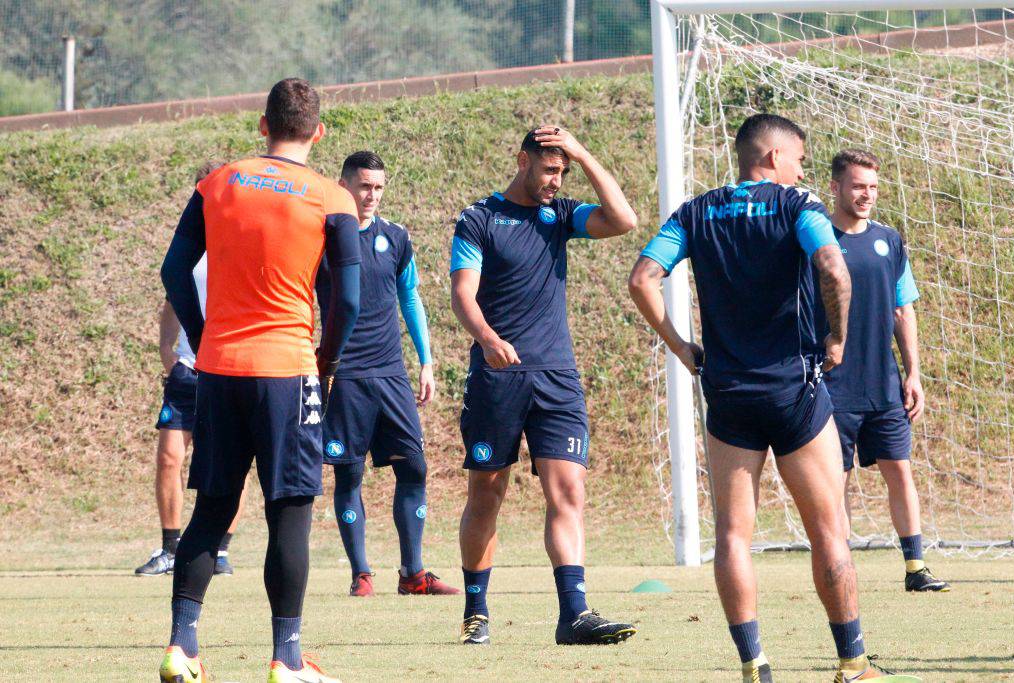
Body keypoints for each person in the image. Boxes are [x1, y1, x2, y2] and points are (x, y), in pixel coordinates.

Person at [628, 115, 917, 681]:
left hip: (728, 394)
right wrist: (836, 338)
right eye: (800, 159)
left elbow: (642, 278)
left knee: (733, 535)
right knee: (828, 527)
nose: (804, 169)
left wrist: (683, 348)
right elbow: (833, 266)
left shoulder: (695, 211)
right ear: (773, 158)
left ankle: (754, 664)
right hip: (794, 390)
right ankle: (853, 662)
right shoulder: (797, 205)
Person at [158, 78, 361, 683]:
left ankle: (181, 647)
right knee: (289, 513)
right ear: (318, 131)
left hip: (218, 369)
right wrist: (325, 357)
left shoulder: (218, 182)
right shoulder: (332, 198)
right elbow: (347, 298)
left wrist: (205, 334)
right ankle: (286, 658)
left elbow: (174, 270)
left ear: (262, 125)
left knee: (212, 510)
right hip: (287, 370)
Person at [451, 126, 638, 646]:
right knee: (488, 495)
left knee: (569, 490)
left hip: (557, 377)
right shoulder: (479, 219)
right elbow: (462, 293)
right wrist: (486, 337)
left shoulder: (562, 217)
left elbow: (624, 220)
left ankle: (573, 615)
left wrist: (583, 151)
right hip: (498, 378)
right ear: (522, 160)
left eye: (563, 171)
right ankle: (476, 610)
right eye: (549, 169)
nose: (556, 180)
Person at [316, 150, 458, 597]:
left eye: (378, 187)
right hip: (345, 375)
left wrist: (427, 361)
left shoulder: (395, 237)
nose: (372, 195)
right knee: (349, 474)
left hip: (391, 374)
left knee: (414, 468)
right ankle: (361, 573)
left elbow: (410, 297)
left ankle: (413, 573)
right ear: (344, 186)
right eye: (364, 186)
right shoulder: (320, 239)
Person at [819, 149, 949, 592]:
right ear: (835, 187)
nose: (866, 194)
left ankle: (916, 567)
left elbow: (902, 308)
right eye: (858, 186)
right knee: (837, 481)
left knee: (900, 470)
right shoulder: (814, 239)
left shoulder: (888, 241)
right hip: (832, 386)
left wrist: (913, 372)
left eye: (873, 187)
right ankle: (842, 569)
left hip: (884, 382)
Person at [136, 161, 247, 578]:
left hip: (229, 367)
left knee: (230, 462)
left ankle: (220, 550)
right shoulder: (192, 241)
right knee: (169, 457)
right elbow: (173, 296)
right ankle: (170, 548)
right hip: (188, 369)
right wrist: (168, 351)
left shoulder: (240, 236)